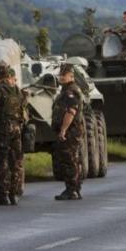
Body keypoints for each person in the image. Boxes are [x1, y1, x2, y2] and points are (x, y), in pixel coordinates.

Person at [0, 65, 27, 206]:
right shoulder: (17, 91)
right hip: (16, 129)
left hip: (2, 130)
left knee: (1, 162)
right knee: (16, 162)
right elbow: (23, 110)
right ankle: (14, 194)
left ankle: (3, 195)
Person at [52, 64, 84, 200]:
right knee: (71, 159)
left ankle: (72, 190)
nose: (61, 77)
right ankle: (74, 188)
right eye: (60, 75)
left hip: (71, 131)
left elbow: (71, 112)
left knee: (69, 160)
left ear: (71, 76)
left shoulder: (71, 91)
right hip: (70, 131)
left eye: (64, 75)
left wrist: (63, 130)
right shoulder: (65, 90)